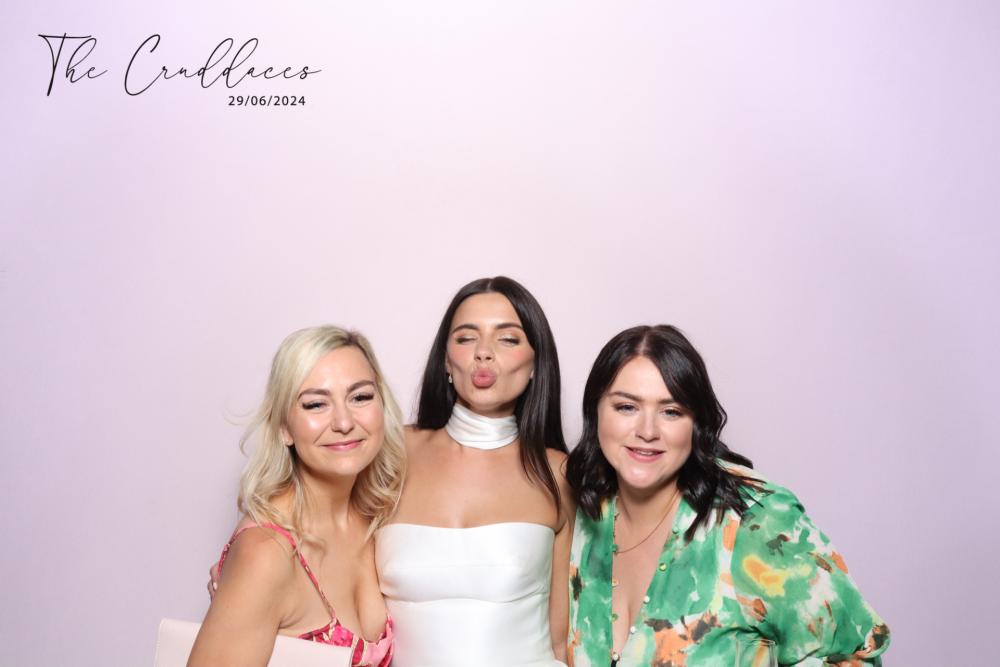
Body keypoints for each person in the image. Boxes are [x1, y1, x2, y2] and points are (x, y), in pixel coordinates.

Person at [565, 325, 890, 666]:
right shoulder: (584, 512)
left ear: (696, 423)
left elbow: (859, 656)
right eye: (626, 407)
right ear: (595, 411)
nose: (647, 431)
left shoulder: (757, 522)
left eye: (671, 411)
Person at [376, 276, 574, 667]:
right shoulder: (391, 453)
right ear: (446, 361)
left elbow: (561, 640)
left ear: (536, 363)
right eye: (466, 338)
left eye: (508, 339)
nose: (484, 353)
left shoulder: (559, 473)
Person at [189, 326, 406, 667]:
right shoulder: (267, 553)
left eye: (360, 397)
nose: (344, 422)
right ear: (284, 428)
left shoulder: (378, 516)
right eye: (316, 404)